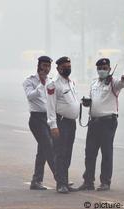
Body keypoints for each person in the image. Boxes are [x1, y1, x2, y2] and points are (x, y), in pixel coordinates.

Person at [78, 58, 124, 191]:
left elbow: (122, 83)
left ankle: (105, 182)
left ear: (109, 69)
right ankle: (88, 181)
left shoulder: (114, 82)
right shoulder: (94, 83)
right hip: (94, 122)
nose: (102, 70)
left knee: (106, 152)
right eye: (100, 68)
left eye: (104, 68)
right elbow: (93, 99)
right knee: (89, 152)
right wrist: (86, 103)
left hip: (108, 122)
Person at [46, 56, 80, 194]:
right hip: (60, 123)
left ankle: (65, 181)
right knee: (60, 153)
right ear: (58, 68)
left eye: (69, 66)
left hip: (71, 123)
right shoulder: (53, 84)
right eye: (65, 66)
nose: (67, 68)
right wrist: (53, 125)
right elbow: (50, 106)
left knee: (68, 153)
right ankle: (61, 184)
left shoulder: (71, 82)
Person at [22, 56, 56, 190]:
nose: (46, 68)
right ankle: (60, 177)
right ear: (38, 66)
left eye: (48, 66)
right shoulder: (29, 81)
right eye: (44, 65)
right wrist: (41, 84)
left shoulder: (51, 80)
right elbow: (30, 96)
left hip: (49, 118)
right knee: (49, 146)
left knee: (43, 150)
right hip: (37, 119)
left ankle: (36, 181)